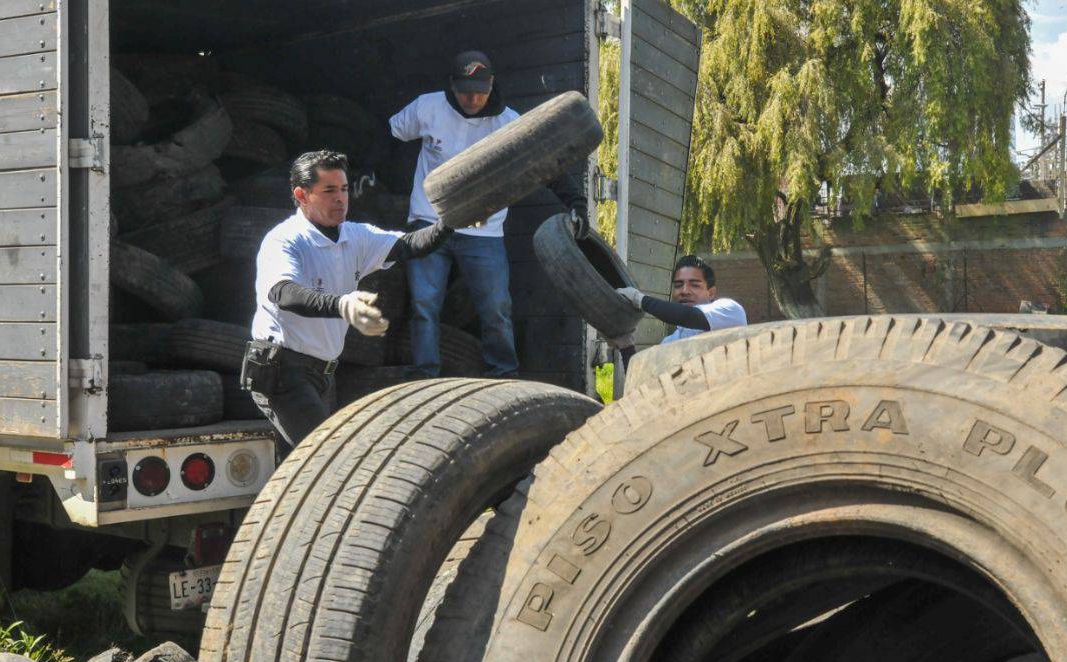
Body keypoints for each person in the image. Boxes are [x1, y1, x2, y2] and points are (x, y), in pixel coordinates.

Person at [388, 50, 589, 378]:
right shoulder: (427, 107)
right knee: (424, 306)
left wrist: (575, 201)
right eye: (466, 90)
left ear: (492, 83)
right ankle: (425, 380)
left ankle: (504, 375)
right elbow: (391, 137)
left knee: (496, 309)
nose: (473, 98)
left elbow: (545, 164)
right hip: (428, 221)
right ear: (452, 86)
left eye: (480, 91)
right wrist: (387, 196)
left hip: (483, 232)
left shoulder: (509, 122)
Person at [244, 150, 451, 449]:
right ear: (302, 195)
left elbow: (411, 245)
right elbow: (283, 293)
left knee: (307, 464)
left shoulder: (356, 235)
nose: (340, 198)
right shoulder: (284, 239)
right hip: (283, 370)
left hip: (323, 371)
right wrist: (342, 304)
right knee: (324, 458)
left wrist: (454, 220)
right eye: (328, 191)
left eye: (343, 189)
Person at [616, 256, 747, 344]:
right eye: (678, 285)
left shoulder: (730, 311)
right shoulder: (670, 343)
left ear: (711, 293)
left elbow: (689, 316)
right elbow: (645, 382)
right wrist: (625, 345)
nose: (684, 291)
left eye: (694, 285)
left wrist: (639, 299)